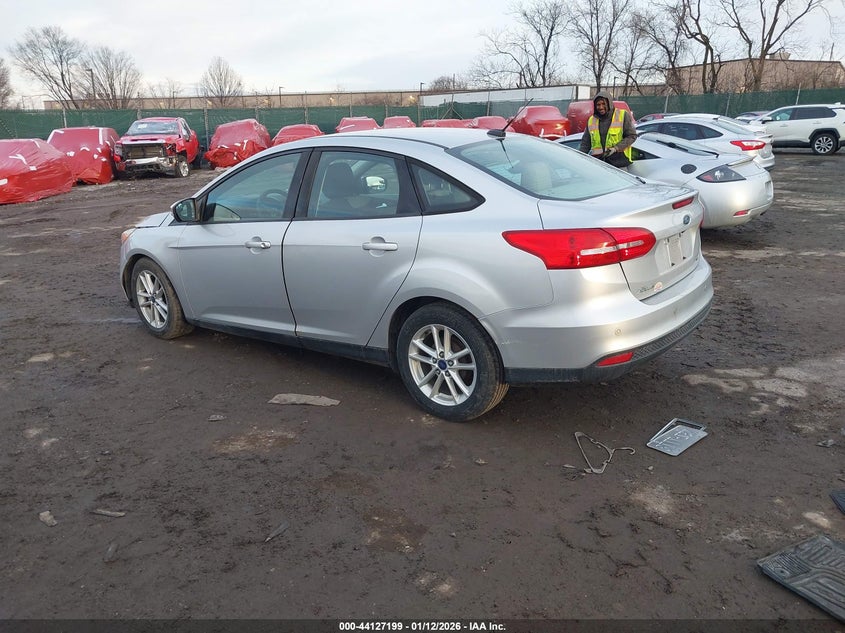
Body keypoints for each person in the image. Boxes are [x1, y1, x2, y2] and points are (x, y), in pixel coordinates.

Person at [578, 90, 637, 169]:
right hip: (599, 164)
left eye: (603, 104)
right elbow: (585, 144)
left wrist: (616, 148)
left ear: (609, 103)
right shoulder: (592, 120)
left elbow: (632, 136)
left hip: (619, 163)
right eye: (598, 105)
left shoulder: (622, 115)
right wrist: (579, 158)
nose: (601, 107)